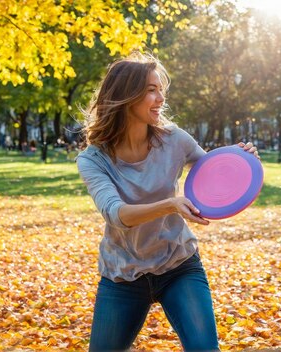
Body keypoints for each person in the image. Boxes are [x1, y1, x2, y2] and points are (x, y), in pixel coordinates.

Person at [75, 52, 258, 351]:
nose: (161, 98)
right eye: (151, 90)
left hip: (178, 265)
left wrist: (241, 161)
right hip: (123, 274)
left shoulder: (174, 139)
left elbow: (214, 173)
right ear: (125, 95)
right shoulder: (93, 159)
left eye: (161, 89)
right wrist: (171, 204)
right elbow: (116, 214)